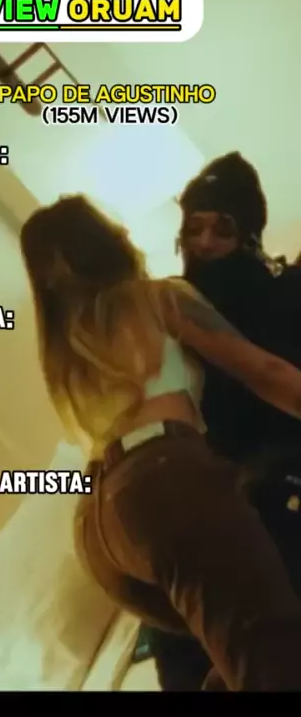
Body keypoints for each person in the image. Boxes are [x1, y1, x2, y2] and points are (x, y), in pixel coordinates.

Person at [20, 193, 301, 692]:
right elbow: (265, 371)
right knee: (275, 659)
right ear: (110, 241)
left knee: (236, 648)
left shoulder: (66, 348)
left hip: (100, 529)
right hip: (163, 484)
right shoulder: (158, 297)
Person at [145, 152, 301, 690]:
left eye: (222, 228)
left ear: (249, 233)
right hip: (216, 484)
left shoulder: (283, 290)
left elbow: (273, 376)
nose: (206, 242)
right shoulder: (171, 305)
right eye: (194, 229)